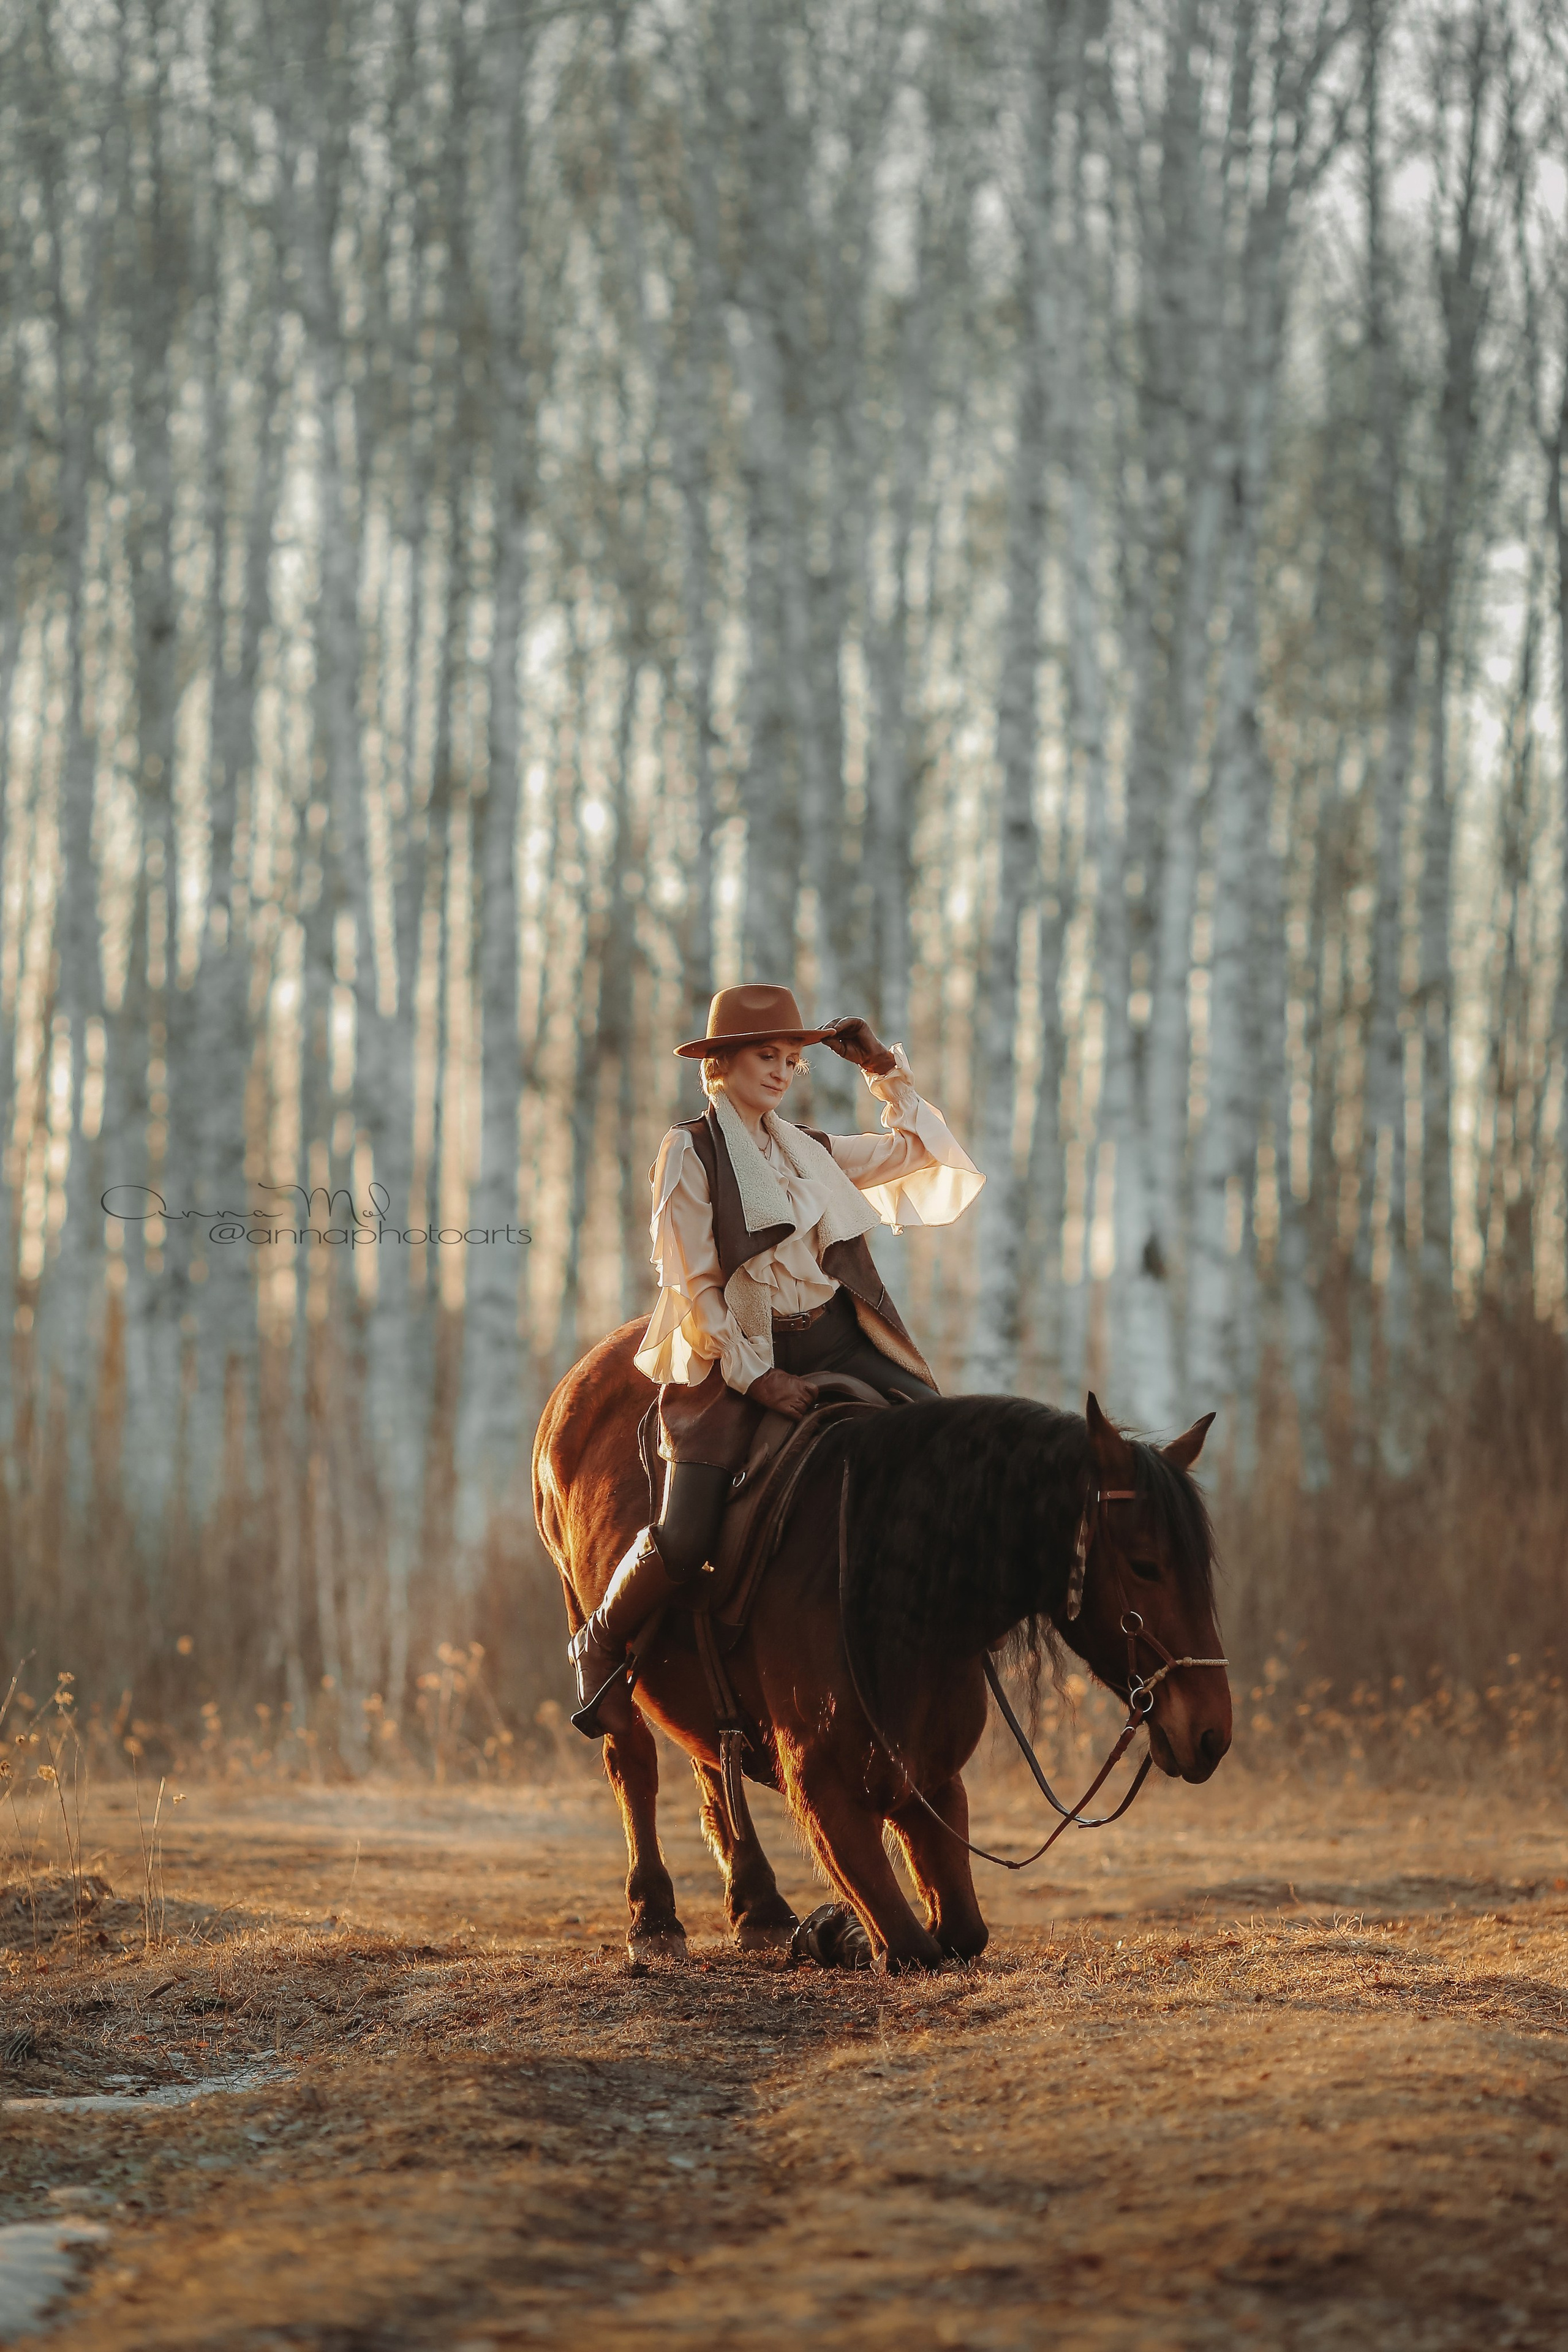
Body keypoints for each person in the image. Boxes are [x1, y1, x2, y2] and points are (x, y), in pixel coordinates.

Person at [568, 982, 986, 1736]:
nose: (784, 1071)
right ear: (720, 1063)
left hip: (835, 1336)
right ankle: (599, 1638)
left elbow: (925, 1156)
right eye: (767, 1056)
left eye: (793, 1059)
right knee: (687, 1530)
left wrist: (882, 1069)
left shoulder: (811, 1151)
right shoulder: (687, 1150)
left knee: (947, 1447)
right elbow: (691, 1282)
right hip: (735, 1349)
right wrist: (755, 1376)